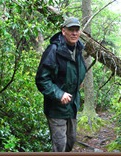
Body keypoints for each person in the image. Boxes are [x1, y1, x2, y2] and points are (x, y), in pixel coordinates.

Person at [35, 17, 86, 152]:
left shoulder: (79, 49)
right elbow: (42, 79)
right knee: (60, 146)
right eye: (71, 30)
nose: (74, 33)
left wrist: (77, 83)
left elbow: (79, 71)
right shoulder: (53, 50)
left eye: (77, 30)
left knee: (71, 141)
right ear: (64, 31)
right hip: (56, 108)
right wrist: (59, 94)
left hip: (72, 106)